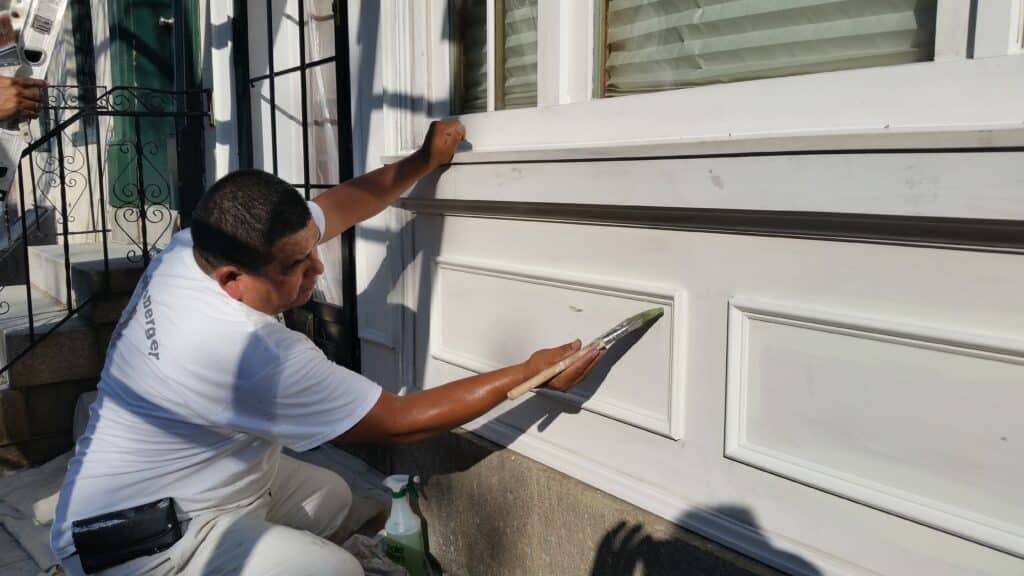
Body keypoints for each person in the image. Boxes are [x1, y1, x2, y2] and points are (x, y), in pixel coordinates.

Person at [50, 119, 603, 575]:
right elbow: (400, 421)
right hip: (138, 548)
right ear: (231, 279)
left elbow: (339, 206)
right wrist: (524, 375)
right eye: (296, 265)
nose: (318, 267)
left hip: (175, 491)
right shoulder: (245, 353)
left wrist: (421, 161)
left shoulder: (195, 245)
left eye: (311, 249)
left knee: (332, 498)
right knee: (334, 571)